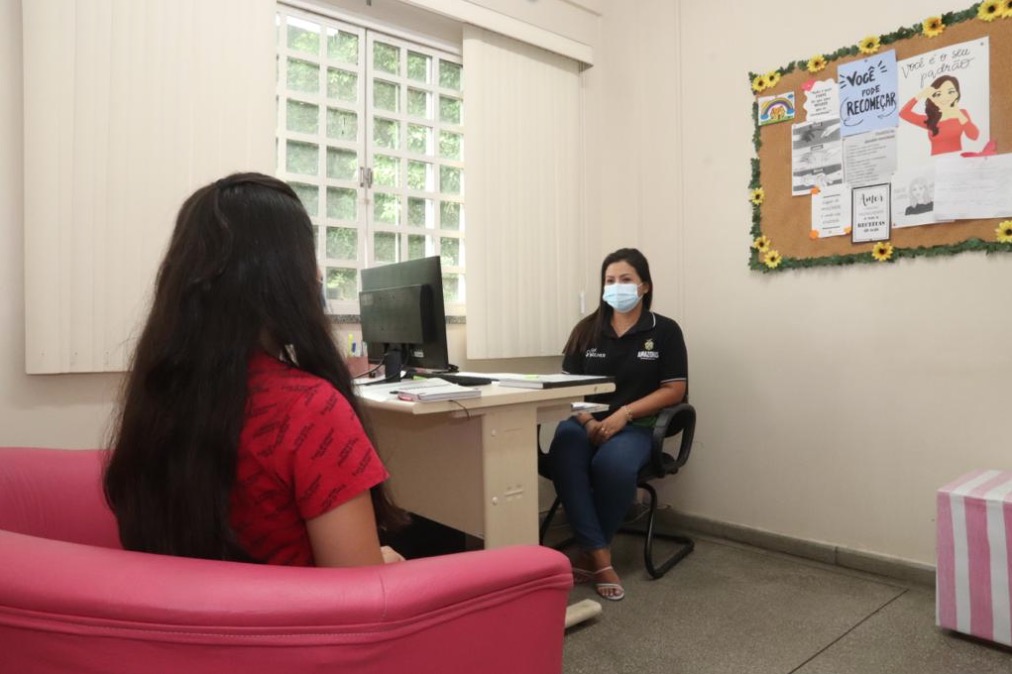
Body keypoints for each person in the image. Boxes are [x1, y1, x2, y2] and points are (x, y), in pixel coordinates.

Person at [104, 172, 406, 567]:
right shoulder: (311, 409)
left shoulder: (158, 394)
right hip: (291, 626)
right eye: (307, 256)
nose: (317, 275)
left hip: (185, 624)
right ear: (279, 276)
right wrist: (383, 564)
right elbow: (360, 593)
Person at [547, 248, 688, 601]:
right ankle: (600, 554)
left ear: (644, 287)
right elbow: (567, 389)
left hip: (638, 426)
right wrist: (587, 421)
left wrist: (623, 414)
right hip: (585, 422)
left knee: (612, 463)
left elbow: (674, 389)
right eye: (610, 281)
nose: (617, 287)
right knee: (564, 446)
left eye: (626, 280)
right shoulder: (586, 331)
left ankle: (593, 552)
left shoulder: (665, 331)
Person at [899, 75, 979, 156]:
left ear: (957, 94)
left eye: (950, 92)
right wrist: (921, 95)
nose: (945, 97)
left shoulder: (962, 113)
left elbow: (974, 136)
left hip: (957, 162)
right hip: (936, 164)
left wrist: (958, 114)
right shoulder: (930, 119)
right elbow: (903, 113)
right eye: (939, 94)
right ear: (933, 97)